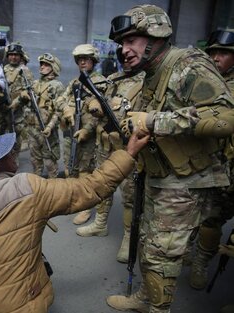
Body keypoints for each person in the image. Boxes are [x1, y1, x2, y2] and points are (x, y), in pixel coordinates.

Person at [105, 5, 234, 313]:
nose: (124, 50)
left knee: (162, 254)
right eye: (121, 43)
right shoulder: (151, 72)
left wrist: (154, 122)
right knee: (149, 246)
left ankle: (157, 309)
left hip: (185, 182)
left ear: (156, 35)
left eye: (132, 40)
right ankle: (147, 297)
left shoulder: (188, 65)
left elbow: (227, 116)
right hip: (160, 175)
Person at [0, 129, 149, 313]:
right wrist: (128, 154)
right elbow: (89, 188)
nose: (14, 152)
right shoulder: (25, 188)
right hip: (17, 304)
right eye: (8, 151)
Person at [75, 46, 145, 259]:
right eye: (122, 55)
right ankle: (100, 223)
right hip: (105, 146)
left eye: (129, 55)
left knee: (130, 196)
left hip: (129, 148)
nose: (126, 59)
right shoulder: (112, 79)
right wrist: (93, 111)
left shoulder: (147, 81)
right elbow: (96, 111)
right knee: (102, 185)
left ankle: (127, 238)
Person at [189, 28, 234, 291]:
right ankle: (185, 251)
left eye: (224, 53)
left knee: (212, 220)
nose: (217, 58)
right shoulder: (203, 82)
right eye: (214, 52)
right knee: (191, 211)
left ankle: (201, 261)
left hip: (226, 168)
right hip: (197, 162)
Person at [57, 43, 107, 225]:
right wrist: (66, 110)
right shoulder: (75, 82)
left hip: (90, 137)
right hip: (71, 132)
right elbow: (60, 99)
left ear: (93, 61)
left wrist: (87, 129)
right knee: (71, 167)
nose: (82, 62)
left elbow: (102, 111)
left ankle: (86, 207)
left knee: (86, 171)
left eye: (86, 59)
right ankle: (74, 199)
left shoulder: (100, 83)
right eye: (79, 60)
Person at [25, 53, 64, 178]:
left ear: (54, 67)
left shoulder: (57, 86)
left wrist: (50, 126)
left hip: (47, 130)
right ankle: (37, 188)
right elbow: (27, 104)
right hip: (32, 128)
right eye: (41, 64)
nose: (42, 67)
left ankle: (53, 189)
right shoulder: (35, 84)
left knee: (49, 162)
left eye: (46, 64)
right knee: (35, 162)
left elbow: (59, 110)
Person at [0, 42, 33, 158]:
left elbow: (29, 90)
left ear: (21, 57)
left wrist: (16, 103)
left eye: (16, 55)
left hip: (17, 110)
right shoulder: (3, 69)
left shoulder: (24, 71)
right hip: (2, 109)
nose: (13, 57)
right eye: (11, 54)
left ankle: (13, 160)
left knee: (15, 135)